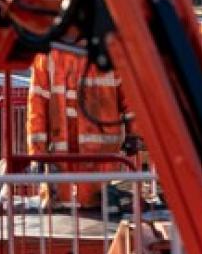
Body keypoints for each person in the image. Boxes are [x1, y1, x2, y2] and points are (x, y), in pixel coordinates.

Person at [25, 46, 133, 209]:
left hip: (101, 160)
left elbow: (130, 99)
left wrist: (135, 134)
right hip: (66, 163)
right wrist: (37, 153)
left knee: (97, 208)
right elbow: (37, 106)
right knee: (67, 211)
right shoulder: (46, 56)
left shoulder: (108, 51)